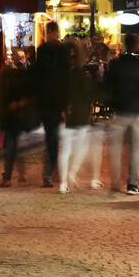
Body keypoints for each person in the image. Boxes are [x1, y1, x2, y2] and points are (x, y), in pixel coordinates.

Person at [105, 33, 139, 194]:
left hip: (119, 111)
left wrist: (110, 104)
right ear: (138, 46)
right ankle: (132, 184)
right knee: (136, 149)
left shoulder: (114, 65)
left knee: (115, 149)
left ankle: (115, 182)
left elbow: (107, 88)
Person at [57, 43, 98, 193]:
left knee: (65, 150)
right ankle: (71, 173)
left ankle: (63, 183)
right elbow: (89, 95)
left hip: (66, 114)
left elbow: (60, 95)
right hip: (80, 115)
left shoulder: (64, 75)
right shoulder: (84, 75)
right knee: (82, 148)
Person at [34, 21, 69, 187]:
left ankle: (49, 172)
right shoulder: (60, 51)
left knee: (52, 137)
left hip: (48, 100)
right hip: (53, 101)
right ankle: (50, 172)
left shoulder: (43, 50)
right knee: (53, 138)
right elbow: (65, 78)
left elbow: (38, 75)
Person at [0, 50, 35, 187]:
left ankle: (9, 175)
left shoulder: (8, 76)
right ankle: (17, 174)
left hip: (12, 116)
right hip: (16, 116)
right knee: (15, 145)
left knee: (12, 145)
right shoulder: (18, 76)